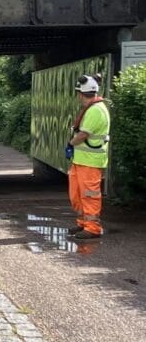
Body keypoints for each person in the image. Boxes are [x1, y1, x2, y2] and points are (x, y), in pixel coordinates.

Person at [66, 73, 110, 240]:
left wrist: (71, 143)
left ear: (80, 93)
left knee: (89, 195)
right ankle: (83, 223)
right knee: (76, 194)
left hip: (90, 162)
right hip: (81, 160)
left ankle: (92, 228)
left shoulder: (96, 110)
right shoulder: (93, 108)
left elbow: (83, 135)